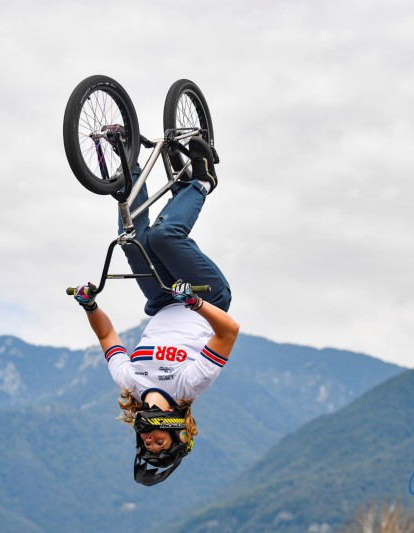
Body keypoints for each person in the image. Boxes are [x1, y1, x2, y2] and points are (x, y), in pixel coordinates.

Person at [73, 136, 240, 486]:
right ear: (178, 434)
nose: (149, 441)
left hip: (163, 299)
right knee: (164, 237)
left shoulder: (131, 383)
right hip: (205, 295)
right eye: (158, 444)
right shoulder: (188, 384)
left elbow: (106, 335)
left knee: (132, 238)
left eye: (145, 444)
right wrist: (195, 303)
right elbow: (228, 332)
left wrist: (90, 305)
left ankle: (128, 157)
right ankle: (203, 179)